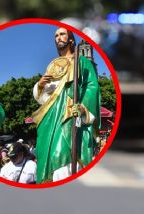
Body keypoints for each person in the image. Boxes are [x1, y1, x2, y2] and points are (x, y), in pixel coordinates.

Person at [32, 27, 100, 183]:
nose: (58, 37)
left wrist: (83, 106)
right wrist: (40, 85)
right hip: (49, 116)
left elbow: (92, 86)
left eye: (62, 34)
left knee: (62, 154)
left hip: (68, 114)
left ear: (71, 39)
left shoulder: (81, 61)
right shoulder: (53, 64)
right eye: (56, 35)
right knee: (46, 153)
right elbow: (46, 96)